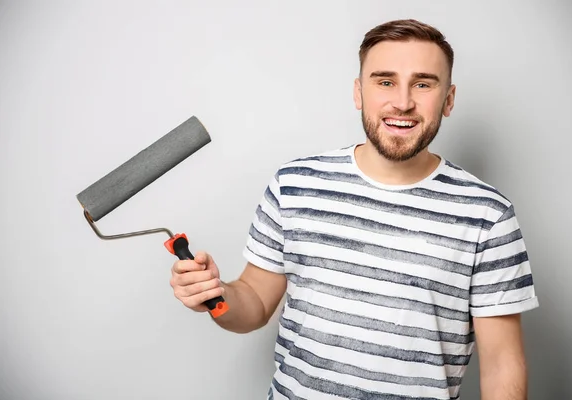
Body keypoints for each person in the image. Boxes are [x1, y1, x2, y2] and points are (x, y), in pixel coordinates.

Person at [170, 18, 539, 400]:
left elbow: (502, 365)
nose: (403, 101)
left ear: (448, 99)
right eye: (385, 81)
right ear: (359, 92)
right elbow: (255, 303)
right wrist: (215, 295)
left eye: (423, 84)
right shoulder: (294, 185)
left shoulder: (488, 215)